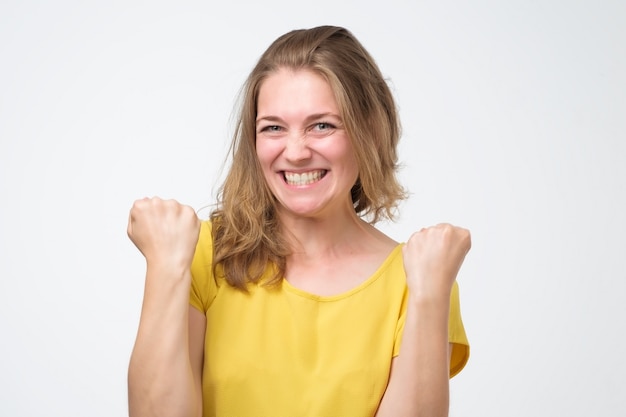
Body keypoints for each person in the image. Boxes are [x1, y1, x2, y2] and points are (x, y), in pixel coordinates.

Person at [126, 25, 471, 417]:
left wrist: (429, 294)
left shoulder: (418, 277)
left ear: (370, 130)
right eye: (273, 127)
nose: (295, 152)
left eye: (321, 125)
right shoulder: (201, 255)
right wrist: (165, 267)